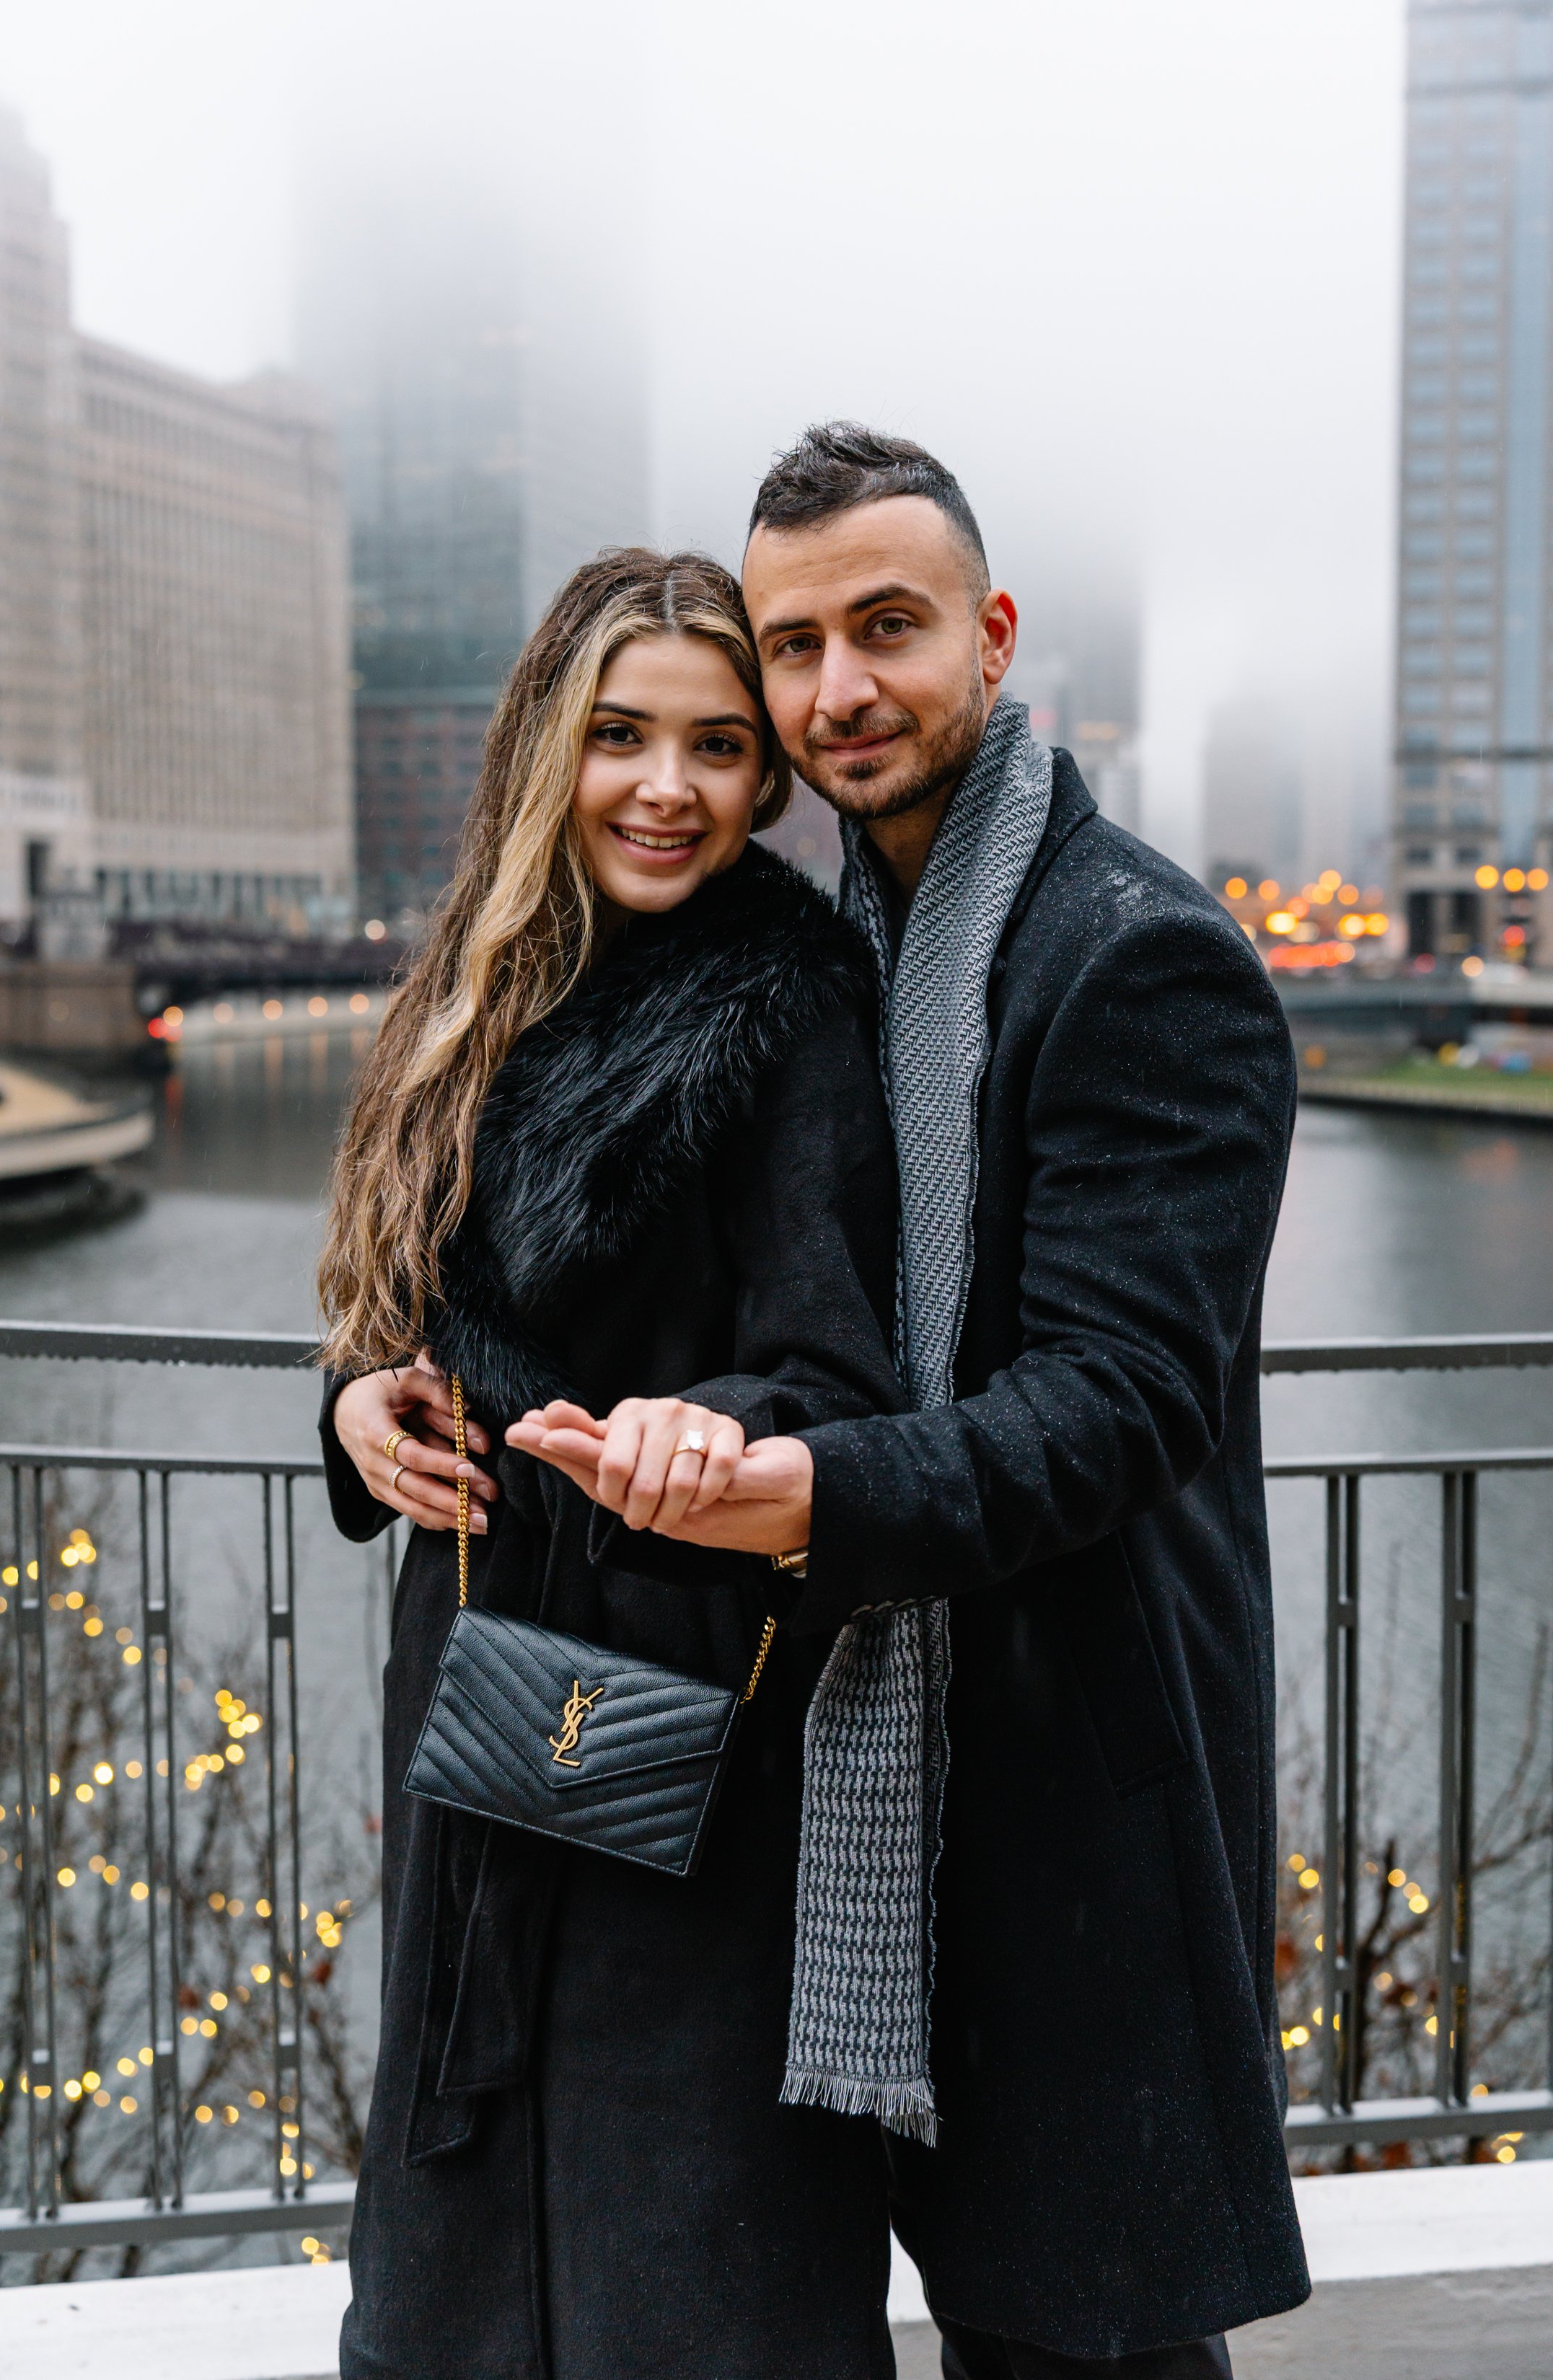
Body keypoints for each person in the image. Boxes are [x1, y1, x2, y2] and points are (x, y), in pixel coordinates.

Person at [514, 426, 1312, 2379]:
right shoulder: (828, 954)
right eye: (795, 646)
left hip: (1065, 1810)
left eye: (888, 627)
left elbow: (1117, 1409)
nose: (838, 687)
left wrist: (795, 1489)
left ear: (993, 633)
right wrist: (381, 1393)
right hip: (855, 1787)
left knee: (1081, 2336)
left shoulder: (1141, 959)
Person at [315, 547, 909, 2380]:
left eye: (721, 748)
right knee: (465, 2178)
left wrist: (709, 1420)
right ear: (545, 746)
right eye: (623, 736)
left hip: (681, 1677)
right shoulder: (480, 986)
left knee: (683, 2217)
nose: (668, 787)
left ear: (764, 781)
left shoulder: (788, 1005)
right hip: (483, 1663)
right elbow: (405, 1316)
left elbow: (834, 1366)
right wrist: (351, 1406)